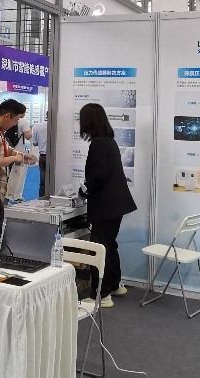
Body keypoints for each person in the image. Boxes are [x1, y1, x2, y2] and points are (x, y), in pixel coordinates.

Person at [78, 103, 138, 308]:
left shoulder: (98, 144)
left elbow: (99, 175)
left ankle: (101, 294)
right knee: (109, 245)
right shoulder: (109, 141)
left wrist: (84, 190)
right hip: (116, 204)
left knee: (98, 248)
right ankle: (113, 285)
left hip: (105, 205)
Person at [0, 99, 36, 201]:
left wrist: (22, 155)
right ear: (7, 116)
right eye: (15, 120)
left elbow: (6, 149)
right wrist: (16, 158)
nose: (15, 124)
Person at [31, 120, 49, 198]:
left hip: (43, 155)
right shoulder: (58, 126)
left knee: (42, 181)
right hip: (54, 157)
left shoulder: (37, 127)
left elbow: (35, 143)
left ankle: (42, 198)